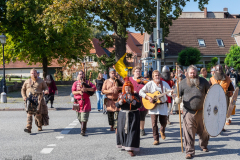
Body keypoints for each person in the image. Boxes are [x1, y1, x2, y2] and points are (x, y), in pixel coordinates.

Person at [174, 65, 210, 159]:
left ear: (197, 73)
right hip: (188, 111)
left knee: (204, 131)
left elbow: (210, 92)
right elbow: (175, 93)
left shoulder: (203, 81)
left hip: (202, 111)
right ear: (187, 74)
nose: (193, 75)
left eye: (194, 73)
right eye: (191, 73)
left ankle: (203, 145)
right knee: (189, 132)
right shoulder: (182, 83)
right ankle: (189, 151)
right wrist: (176, 99)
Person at [139, 70, 173, 145]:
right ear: (153, 77)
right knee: (154, 123)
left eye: (158, 75)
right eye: (155, 76)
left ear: (160, 76)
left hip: (163, 105)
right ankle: (156, 139)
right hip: (153, 106)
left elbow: (169, 92)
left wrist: (172, 92)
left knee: (164, 122)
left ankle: (162, 130)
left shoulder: (164, 84)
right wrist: (148, 97)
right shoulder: (150, 84)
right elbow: (141, 92)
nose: (157, 77)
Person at [116, 77, 141, 157]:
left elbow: (139, 105)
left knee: (132, 131)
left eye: (129, 88)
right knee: (122, 131)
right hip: (123, 115)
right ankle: (124, 145)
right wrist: (120, 101)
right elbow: (117, 105)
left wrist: (132, 100)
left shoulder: (135, 95)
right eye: (126, 88)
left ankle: (130, 148)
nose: (127, 89)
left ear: (131, 88)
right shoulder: (121, 95)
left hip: (133, 115)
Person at [21, 69, 49, 133]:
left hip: (38, 99)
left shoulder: (41, 81)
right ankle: (28, 127)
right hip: (30, 99)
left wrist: (46, 91)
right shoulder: (27, 81)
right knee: (29, 113)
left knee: (38, 114)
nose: (33, 74)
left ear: (37, 74)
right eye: (32, 73)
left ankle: (39, 125)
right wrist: (24, 97)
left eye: (34, 73)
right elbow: (23, 90)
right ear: (30, 74)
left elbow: (46, 87)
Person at [72, 70, 96, 136]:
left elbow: (93, 89)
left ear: (84, 75)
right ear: (78, 75)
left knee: (84, 117)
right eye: (80, 74)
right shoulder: (75, 83)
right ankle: (83, 126)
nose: (81, 75)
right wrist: (79, 92)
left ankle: (83, 131)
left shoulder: (88, 82)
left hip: (85, 101)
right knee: (79, 117)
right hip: (77, 102)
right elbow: (73, 92)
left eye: (82, 74)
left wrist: (86, 89)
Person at [129, 66, 148, 136]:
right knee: (133, 115)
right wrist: (132, 91)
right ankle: (133, 129)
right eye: (137, 71)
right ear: (133, 72)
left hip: (142, 99)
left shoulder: (144, 80)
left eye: (140, 71)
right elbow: (125, 88)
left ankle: (142, 129)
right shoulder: (130, 79)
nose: (138, 73)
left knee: (142, 116)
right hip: (133, 99)